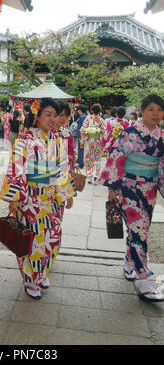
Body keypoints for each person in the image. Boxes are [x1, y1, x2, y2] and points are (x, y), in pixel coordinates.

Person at [0, 98, 75, 300]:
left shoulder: (58, 140)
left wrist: (66, 193)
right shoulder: (25, 139)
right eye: (47, 114)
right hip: (30, 197)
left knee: (54, 238)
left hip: (50, 198)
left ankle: (40, 273)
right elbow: (16, 168)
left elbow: (63, 168)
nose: (52, 119)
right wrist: (14, 198)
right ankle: (31, 279)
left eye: (54, 115)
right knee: (32, 241)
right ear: (38, 116)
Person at [99, 94, 164, 302]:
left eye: (160, 110)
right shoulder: (129, 133)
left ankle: (129, 263)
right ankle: (144, 282)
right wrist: (113, 188)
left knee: (141, 229)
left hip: (150, 189)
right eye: (152, 109)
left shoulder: (161, 136)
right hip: (129, 187)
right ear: (142, 111)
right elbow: (116, 158)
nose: (156, 114)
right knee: (139, 232)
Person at [80, 103, 106, 184]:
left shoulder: (88, 118)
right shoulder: (101, 120)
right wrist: (97, 131)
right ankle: (95, 175)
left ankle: (90, 176)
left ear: (92, 110)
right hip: (97, 141)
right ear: (99, 111)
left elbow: (83, 129)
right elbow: (104, 131)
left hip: (89, 140)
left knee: (88, 158)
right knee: (96, 158)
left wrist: (84, 138)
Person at [75, 104, 87, 169]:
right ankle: (81, 162)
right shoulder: (84, 116)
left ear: (80, 110)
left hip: (81, 135)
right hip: (83, 135)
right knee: (81, 149)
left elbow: (81, 127)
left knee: (81, 149)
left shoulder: (82, 117)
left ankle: (81, 163)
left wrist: (79, 135)